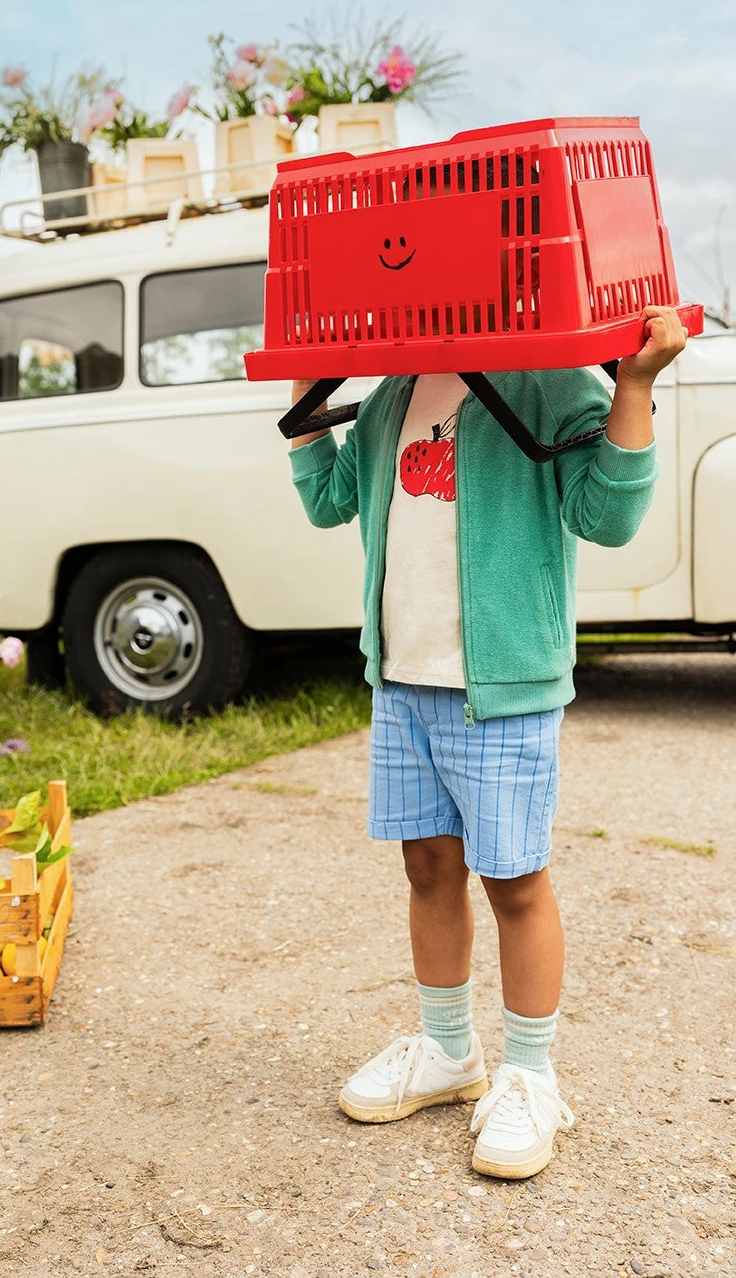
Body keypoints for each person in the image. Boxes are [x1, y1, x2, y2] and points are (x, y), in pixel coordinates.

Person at [288, 305, 688, 1179]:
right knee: (428, 866)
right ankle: (448, 1052)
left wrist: (635, 385)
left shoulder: (547, 376)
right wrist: (303, 379)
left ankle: (531, 1074)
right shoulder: (394, 385)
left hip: (501, 686)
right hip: (400, 678)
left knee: (514, 878)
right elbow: (329, 500)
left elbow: (608, 517)